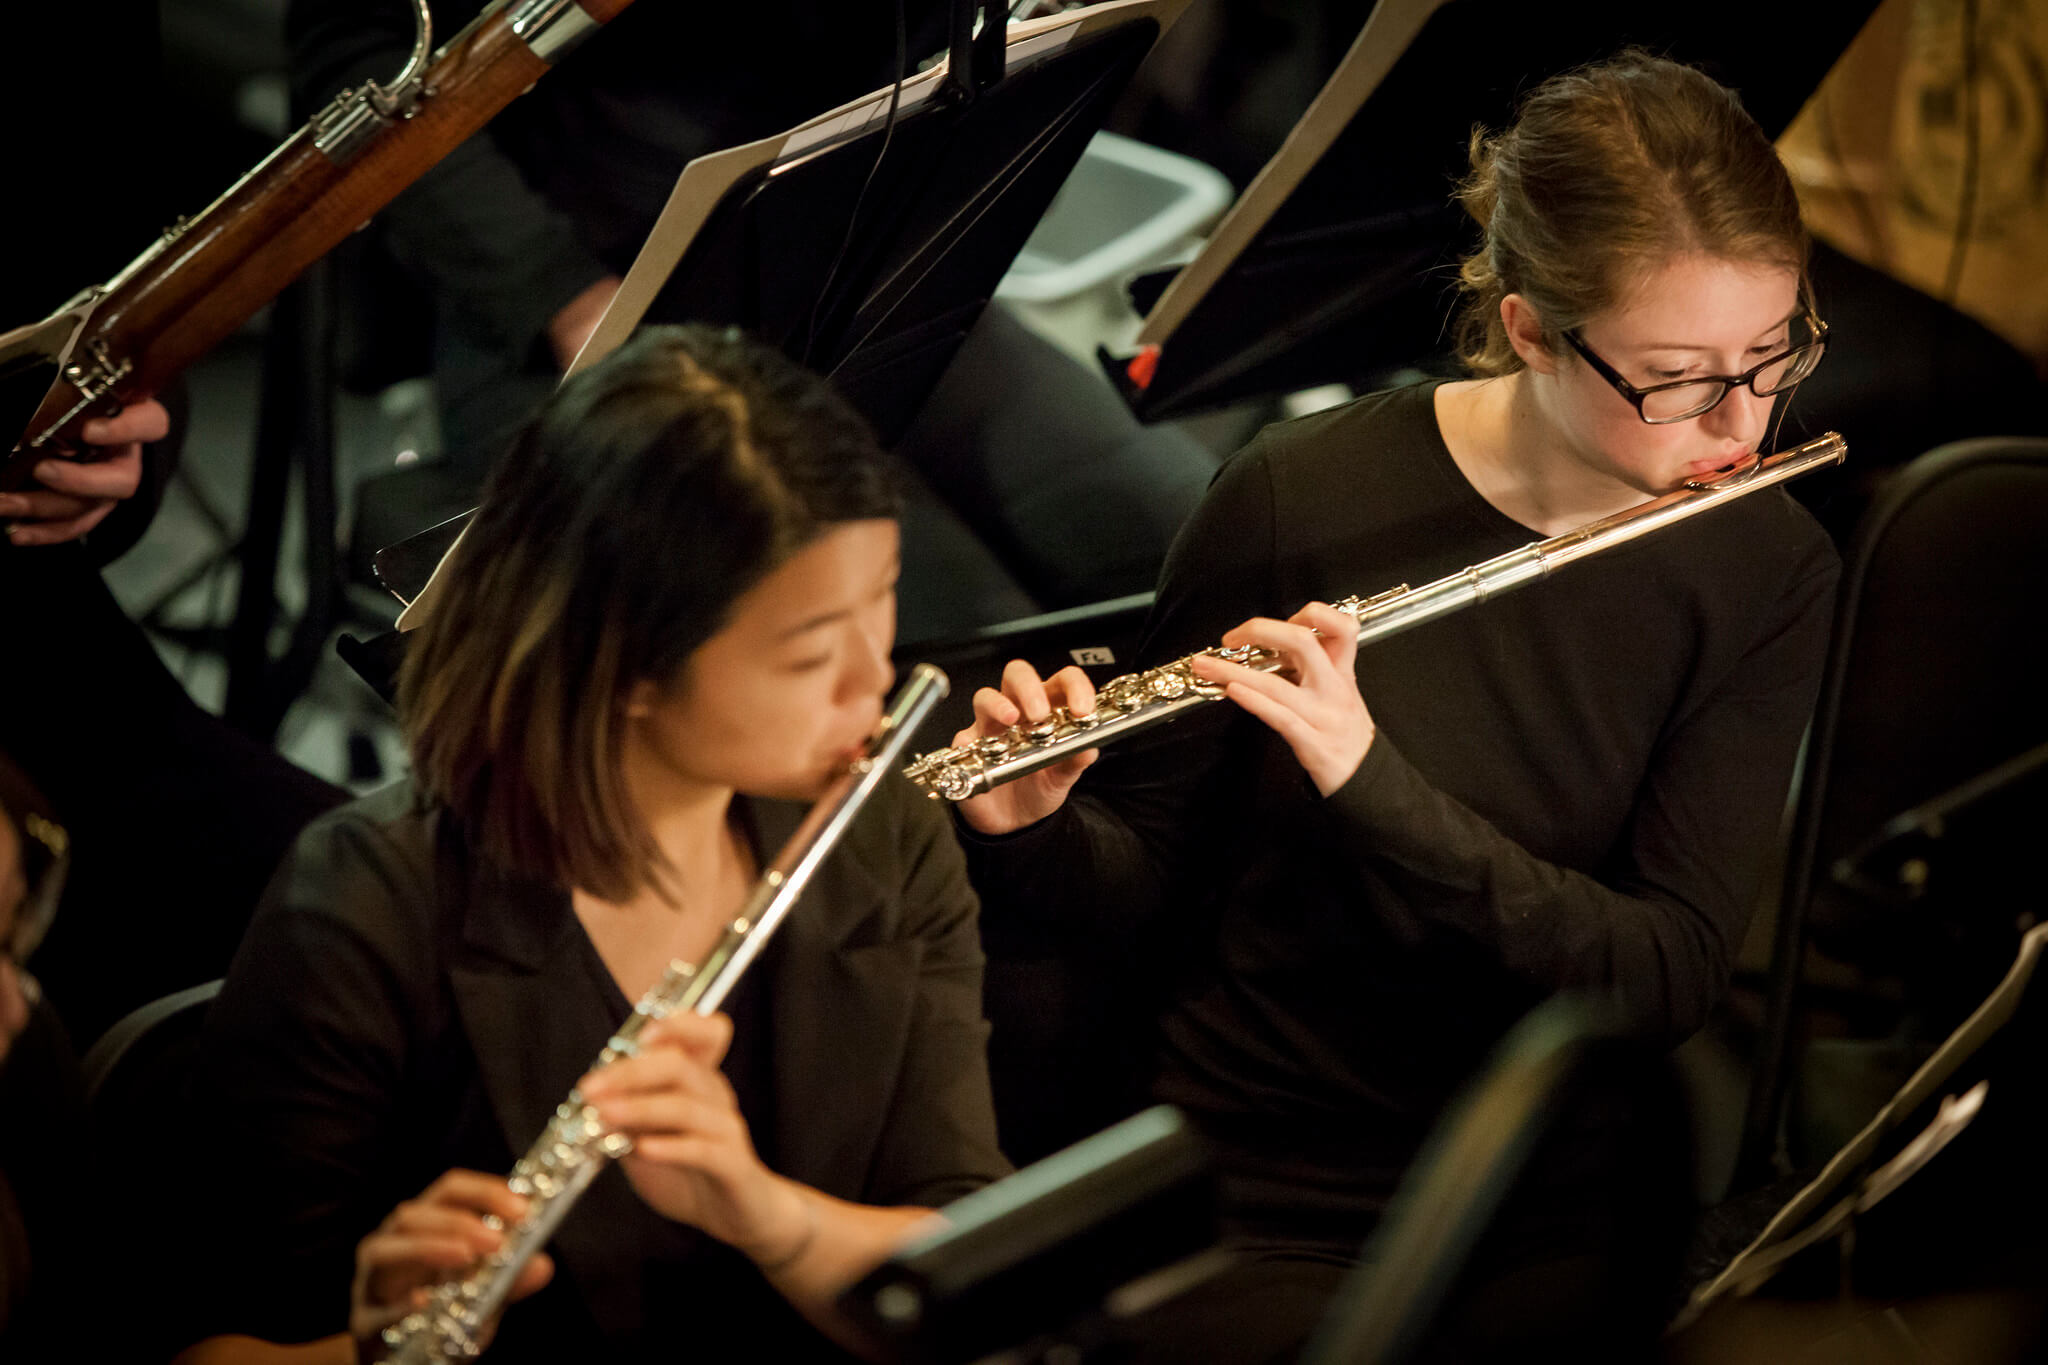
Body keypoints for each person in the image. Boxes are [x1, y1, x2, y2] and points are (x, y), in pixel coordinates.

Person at [952, 51, 1842, 1360]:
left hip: (1531, 1184)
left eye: (1775, 358)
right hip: (1257, 1176)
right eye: (1681, 375)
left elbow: (1663, 978)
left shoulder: (1767, 567)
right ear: (1533, 330)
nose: (1743, 425)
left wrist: (1374, 784)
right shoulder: (1298, 496)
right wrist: (1032, 828)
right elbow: (1136, 895)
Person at [178, 324, 1008, 1363]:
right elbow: (212, 1343)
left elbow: (967, 1256)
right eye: (807, 657)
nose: (871, 683)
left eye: (879, 606)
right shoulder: (368, 905)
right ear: (629, 672)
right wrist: (379, 1350)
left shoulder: (877, 822)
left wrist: (764, 1215)